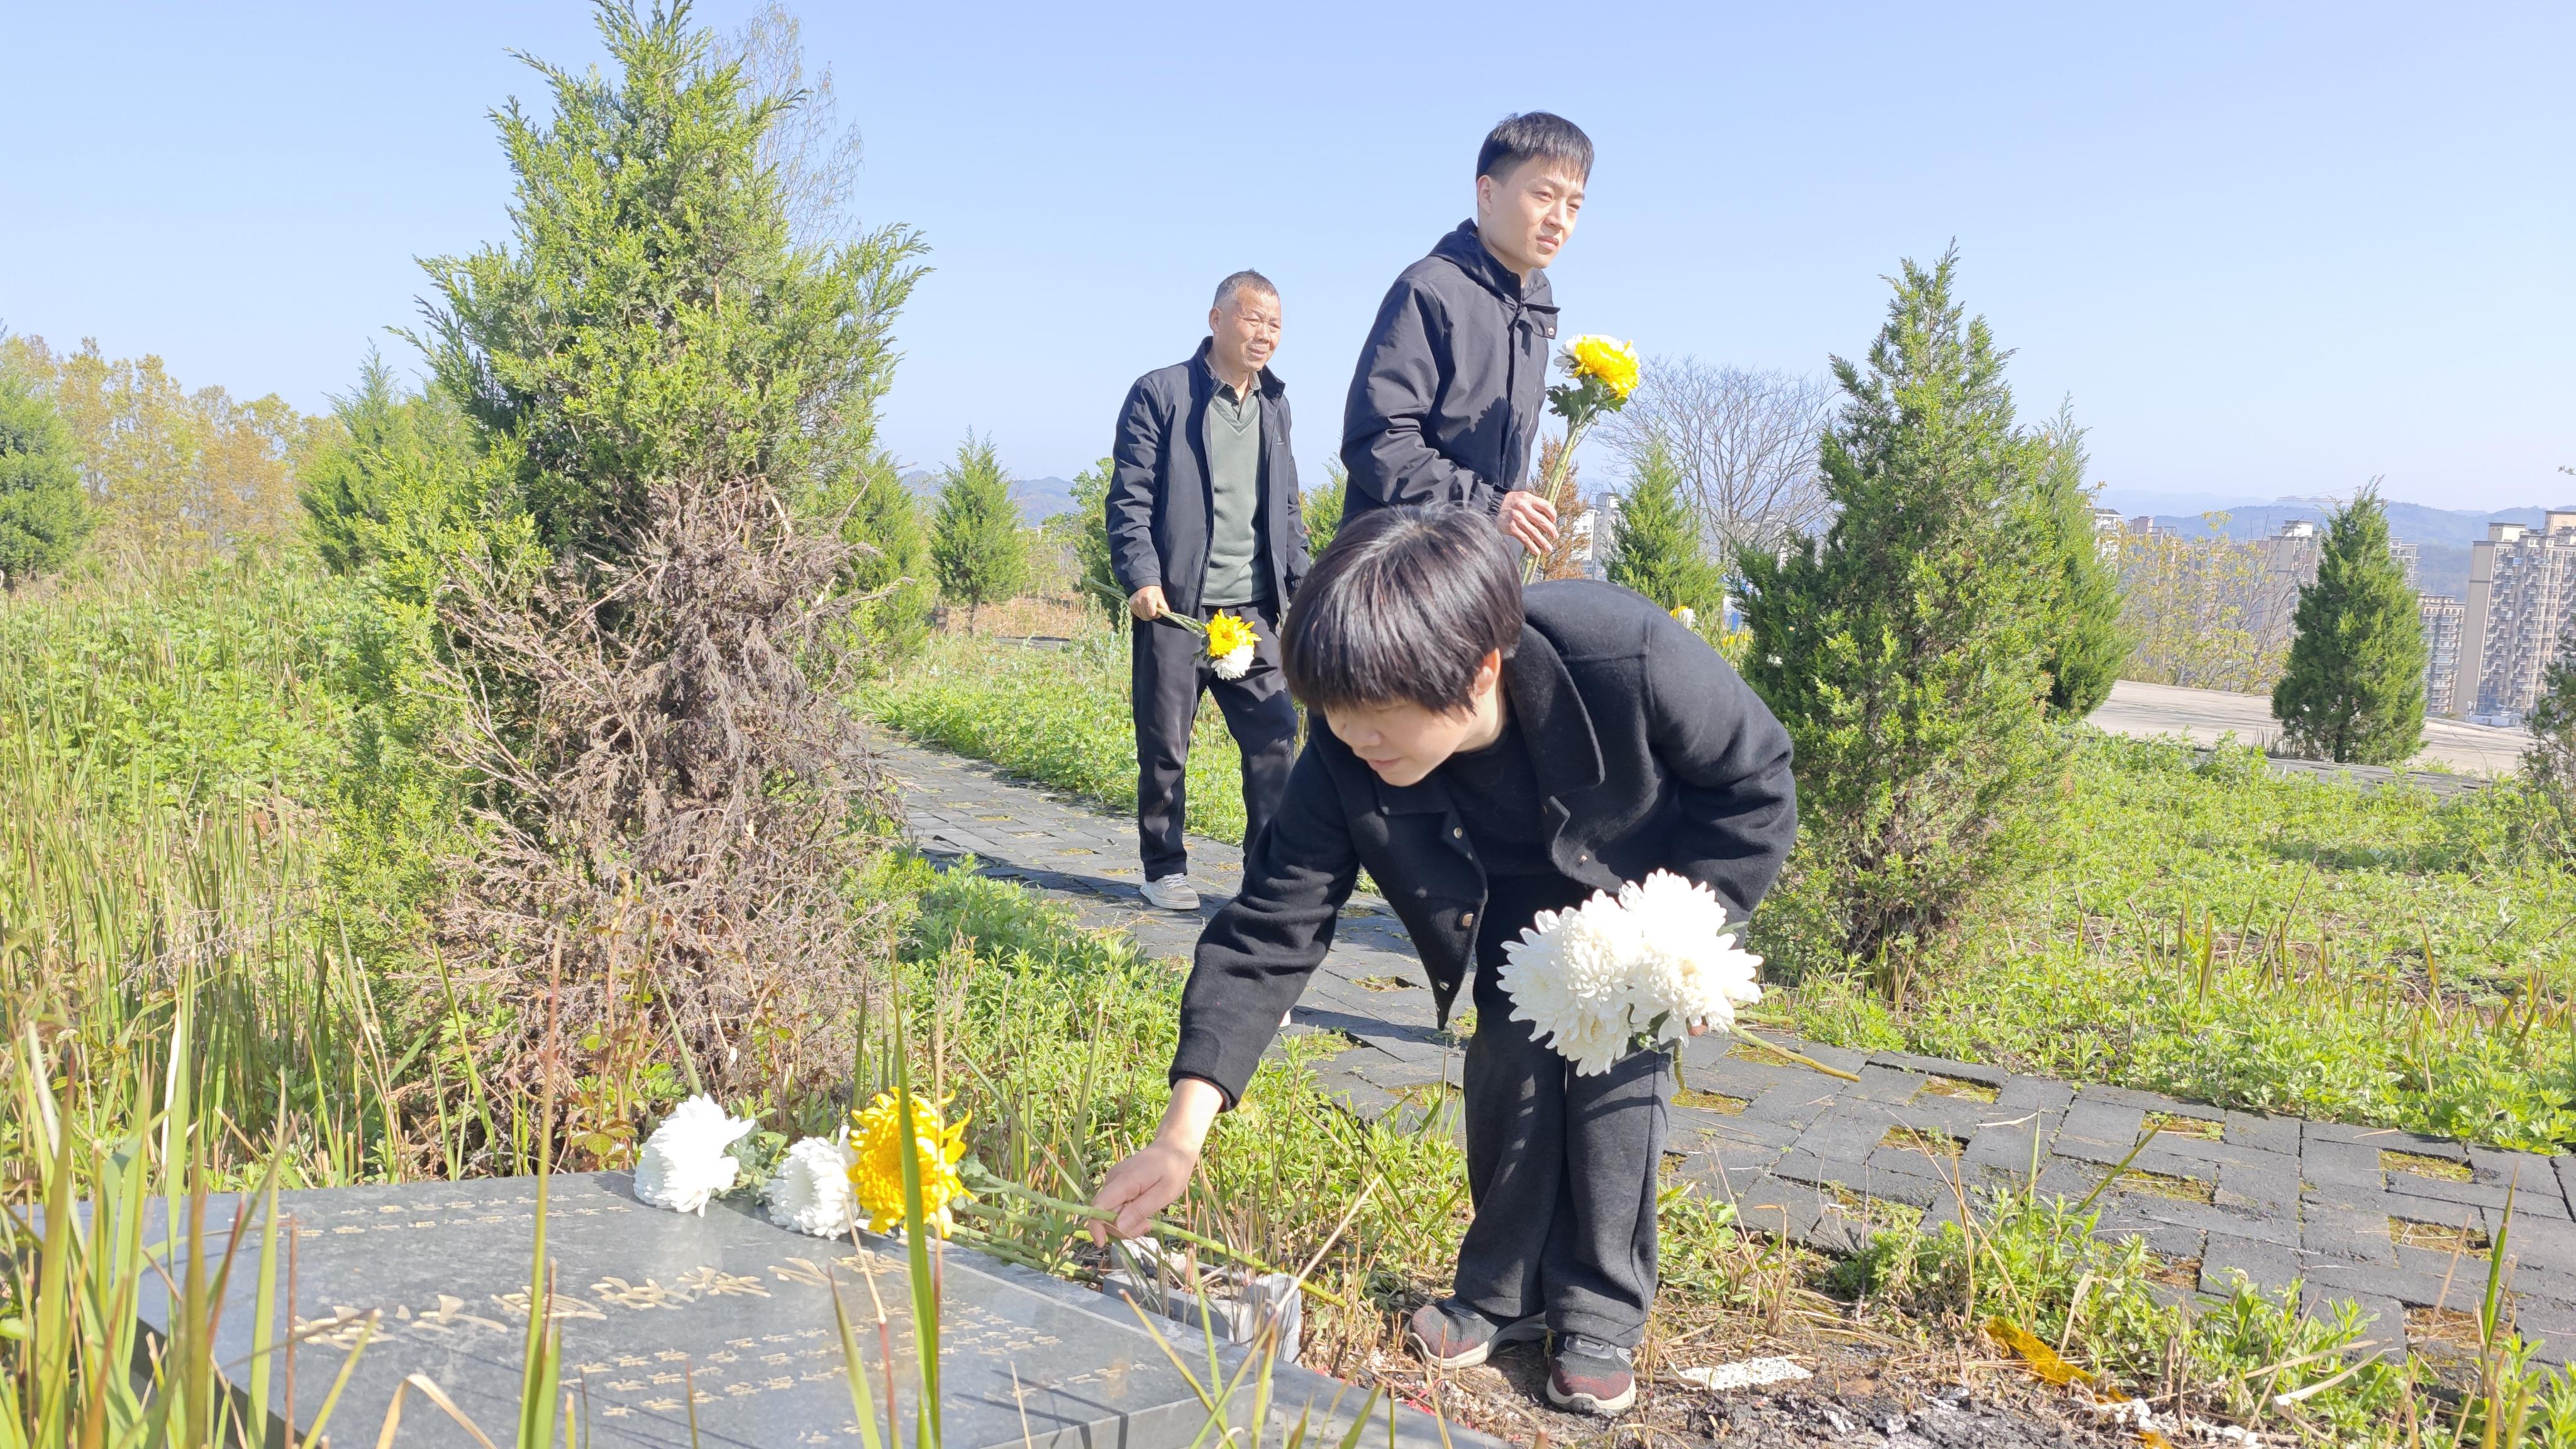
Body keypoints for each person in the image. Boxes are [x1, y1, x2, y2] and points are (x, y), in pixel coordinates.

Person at [1089, 508, 1799, 1415]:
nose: (1353, 738)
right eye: (1332, 714)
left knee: (1615, 1079)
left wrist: (1689, 937)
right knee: (1509, 1064)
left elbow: (1755, 780)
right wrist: (1180, 1135)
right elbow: (1271, 925)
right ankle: (1502, 1293)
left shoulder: (1623, 656)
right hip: (1504, 894)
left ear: (1479, 672)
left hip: (1640, 883)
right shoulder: (1344, 749)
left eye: (1375, 717)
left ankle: (1600, 1310)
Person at [1108, 271, 1311, 911]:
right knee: (1165, 744)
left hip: (1252, 611)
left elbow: (1286, 510)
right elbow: (1131, 495)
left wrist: (1303, 591)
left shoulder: (1275, 405)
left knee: (1276, 738)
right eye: (1253, 319)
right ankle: (1164, 868)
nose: (1265, 334)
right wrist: (1141, 576)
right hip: (1176, 609)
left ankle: (1264, 875)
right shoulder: (1162, 393)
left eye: (1275, 324)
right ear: (1217, 319)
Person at [1340, 112, 1591, 561]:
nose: (1560, 220)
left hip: (1480, 571)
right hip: (1404, 572)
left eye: (1574, 206)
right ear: (1487, 193)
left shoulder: (1535, 304)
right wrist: (1488, 506)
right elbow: (1377, 440)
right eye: (1544, 195)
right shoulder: (1429, 290)